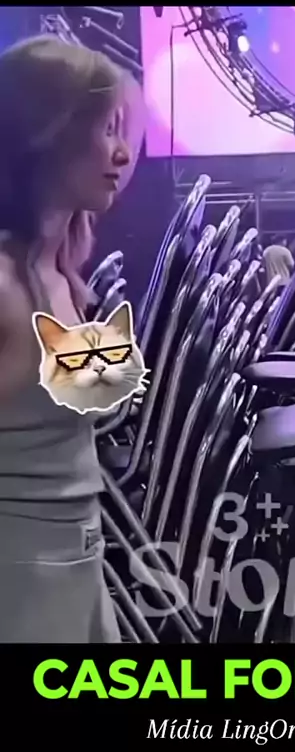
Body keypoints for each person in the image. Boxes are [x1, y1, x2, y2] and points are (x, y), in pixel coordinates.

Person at [0, 35, 142, 642]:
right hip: (21, 583)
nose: (122, 153)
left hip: (77, 566)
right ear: (50, 135)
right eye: (106, 130)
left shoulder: (61, 276)